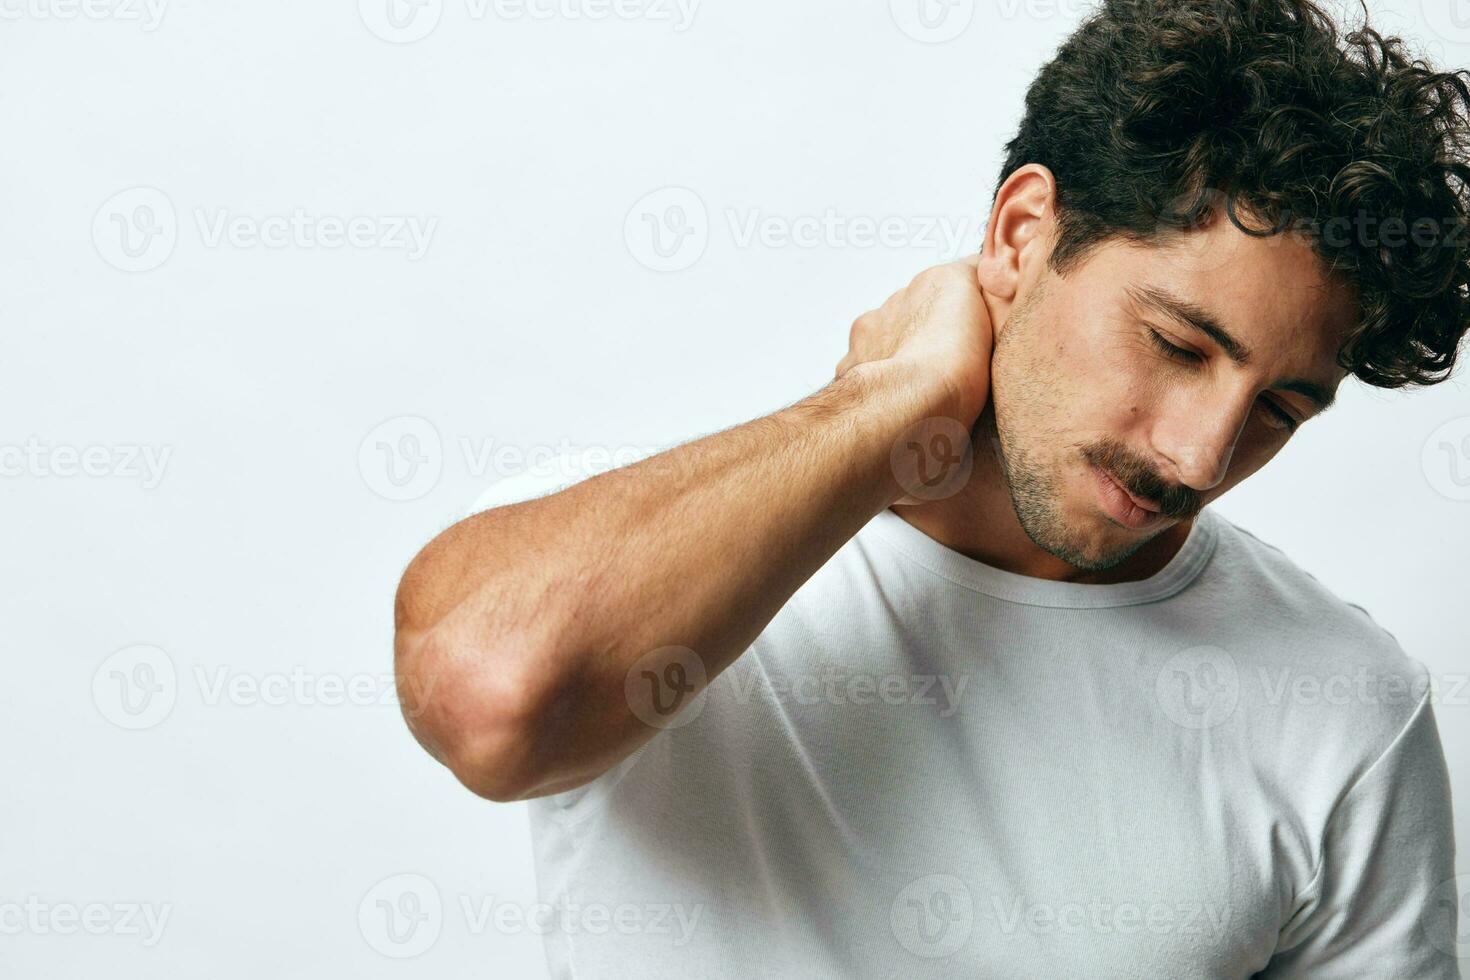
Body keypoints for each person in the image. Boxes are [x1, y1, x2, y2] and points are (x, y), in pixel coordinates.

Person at [393, 0, 1470, 974]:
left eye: (1280, 409)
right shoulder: (650, 554)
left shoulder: (1344, 707)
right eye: (1177, 344)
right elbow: (491, 702)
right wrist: (894, 397)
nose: (1199, 457)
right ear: (1020, 233)